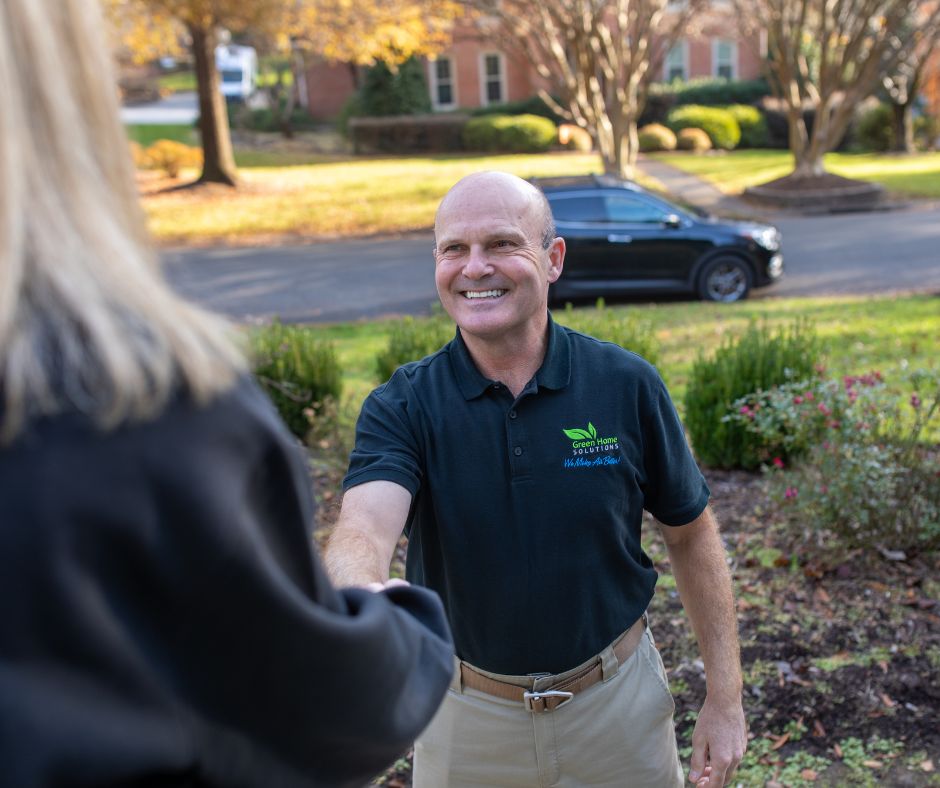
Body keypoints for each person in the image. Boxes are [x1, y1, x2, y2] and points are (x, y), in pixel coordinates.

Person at [0, 1, 453, 786]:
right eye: (455, 247)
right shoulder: (128, 403)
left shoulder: (620, 382)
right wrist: (404, 623)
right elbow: (315, 707)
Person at [325, 171, 747, 787]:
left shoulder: (625, 385)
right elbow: (363, 525)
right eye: (453, 249)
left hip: (617, 709)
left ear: (552, 259)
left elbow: (690, 533)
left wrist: (725, 698)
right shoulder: (405, 404)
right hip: (465, 718)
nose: (474, 268)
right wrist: (362, 588)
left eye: (501, 244)